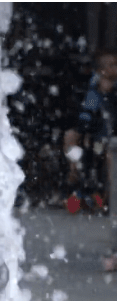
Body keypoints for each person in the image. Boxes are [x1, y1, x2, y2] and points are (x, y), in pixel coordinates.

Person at [62, 49, 117, 215]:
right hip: (98, 136)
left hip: (112, 137)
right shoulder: (94, 90)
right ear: (102, 71)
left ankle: (109, 198)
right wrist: (84, 134)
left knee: (110, 153)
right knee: (70, 136)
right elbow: (85, 117)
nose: (116, 68)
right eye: (113, 65)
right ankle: (74, 179)